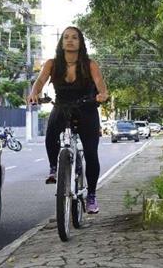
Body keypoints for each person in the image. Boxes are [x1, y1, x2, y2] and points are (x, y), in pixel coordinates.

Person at [27, 26, 109, 214]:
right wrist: (34, 93)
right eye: (66, 37)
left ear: (80, 42)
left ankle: (91, 196)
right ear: (61, 42)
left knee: (91, 153)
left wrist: (103, 94)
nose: (70, 40)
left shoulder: (90, 65)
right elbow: (39, 82)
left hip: (86, 108)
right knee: (50, 136)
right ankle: (54, 168)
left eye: (74, 37)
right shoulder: (52, 64)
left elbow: (100, 83)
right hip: (62, 106)